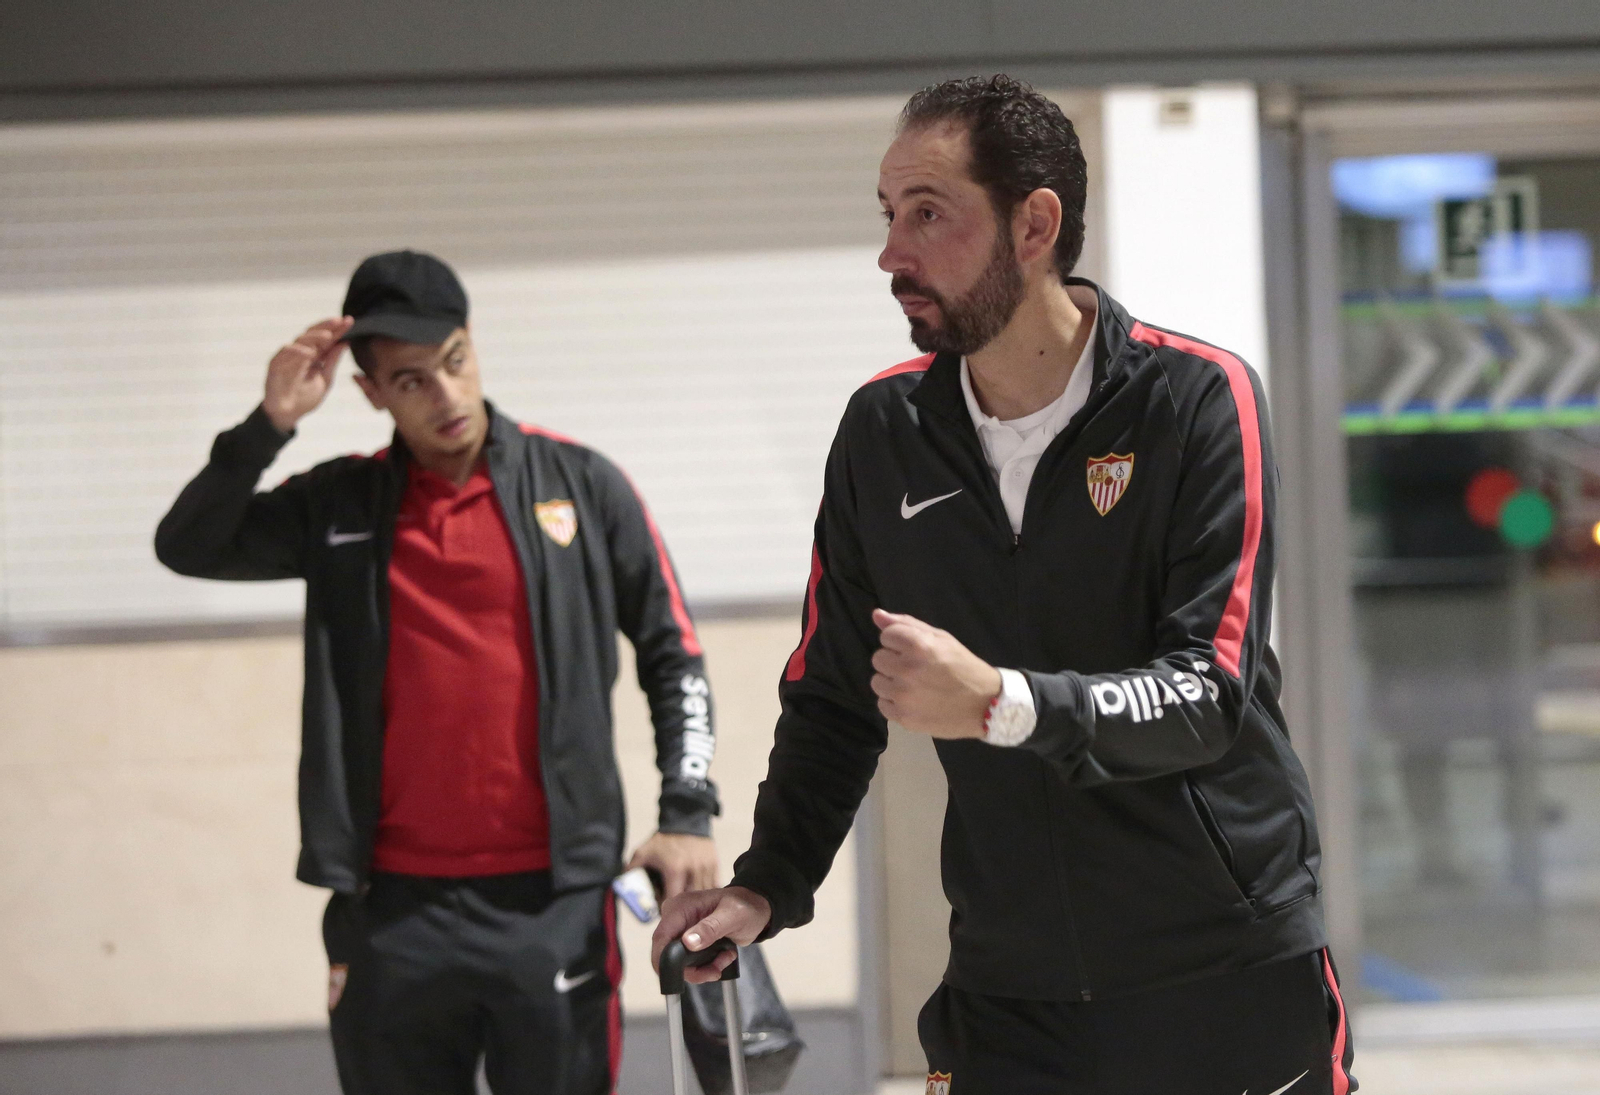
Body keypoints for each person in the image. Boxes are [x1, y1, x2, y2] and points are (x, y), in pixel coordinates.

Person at [654, 76, 1357, 1094]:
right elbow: (834, 697)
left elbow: (1204, 693)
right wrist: (767, 885)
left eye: (929, 215)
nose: (892, 254)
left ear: (1034, 225)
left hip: (1224, 975)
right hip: (1009, 989)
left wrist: (1000, 703)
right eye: (889, 216)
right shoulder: (881, 434)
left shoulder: (1193, 400)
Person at [156, 250, 720, 1095]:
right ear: (372, 392)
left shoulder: (582, 484)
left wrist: (687, 807)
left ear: (474, 345)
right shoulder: (339, 506)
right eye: (412, 380)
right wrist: (267, 426)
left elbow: (672, 650)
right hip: (392, 915)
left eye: (454, 361)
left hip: (553, 904)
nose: (447, 396)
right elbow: (189, 544)